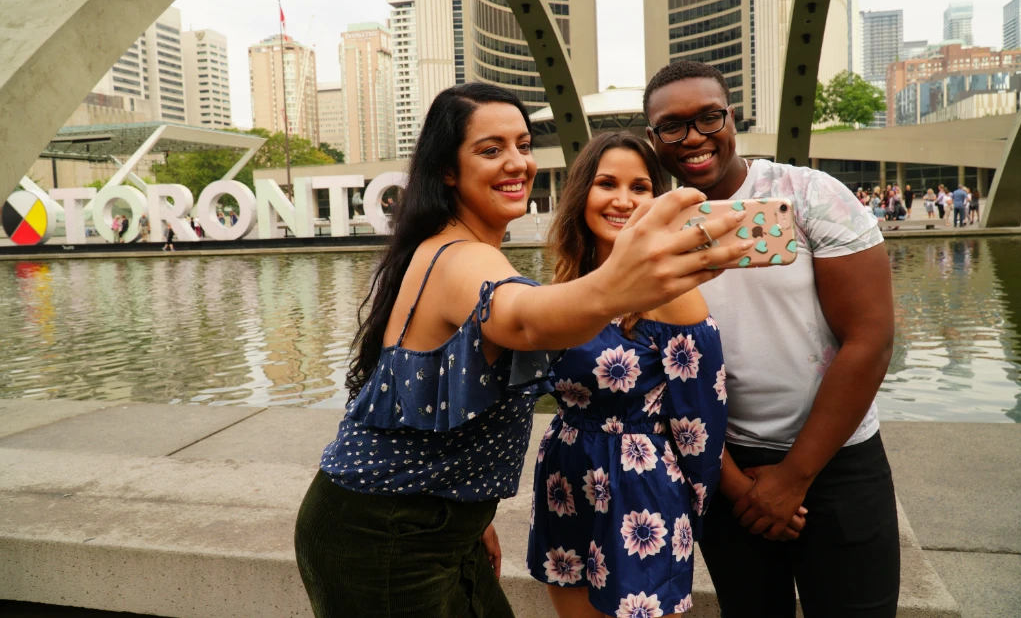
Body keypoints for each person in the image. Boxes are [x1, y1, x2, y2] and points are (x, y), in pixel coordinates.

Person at [293, 84, 750, 618]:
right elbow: (525, 320)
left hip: (432, 523)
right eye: (490, 150)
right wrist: (623, 282)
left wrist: (471, 512)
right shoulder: (462, 258)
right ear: (447, 170)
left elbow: (431, 399)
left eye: (524, 145)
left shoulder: (457, 249)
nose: (516, 164)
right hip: (388, 536)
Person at [644, 60, 899, 618]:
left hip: (839, 458)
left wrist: (794, 476)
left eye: (710, 117)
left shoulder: (809, 194)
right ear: (653, 138)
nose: (695, 138)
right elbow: (659, 369)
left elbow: (871, 338)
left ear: (732, 117)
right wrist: (735, 483)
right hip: (724, 462)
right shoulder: (652, 228)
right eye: (673, 126)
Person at [527, 132, 771, 617]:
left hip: (640, 489)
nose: (622, 200)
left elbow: (701, 417)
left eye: (640, 187)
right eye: (606, 184)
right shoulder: (566, 282)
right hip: (566, 480)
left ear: (657, 202)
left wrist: (692, 504)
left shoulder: (672, 293)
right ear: (582, 195)